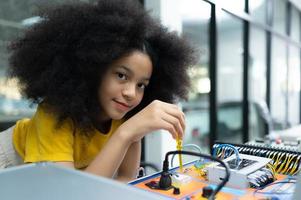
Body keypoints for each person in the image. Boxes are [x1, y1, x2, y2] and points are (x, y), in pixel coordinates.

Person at [0, 0, 196, 182]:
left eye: (141, 85)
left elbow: (125, 180)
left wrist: (131, 134)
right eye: (121, 75)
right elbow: (70, 195)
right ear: (93, 69)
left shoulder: (122, 114)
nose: (131, 93)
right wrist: (126, 133)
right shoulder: (53, 115)